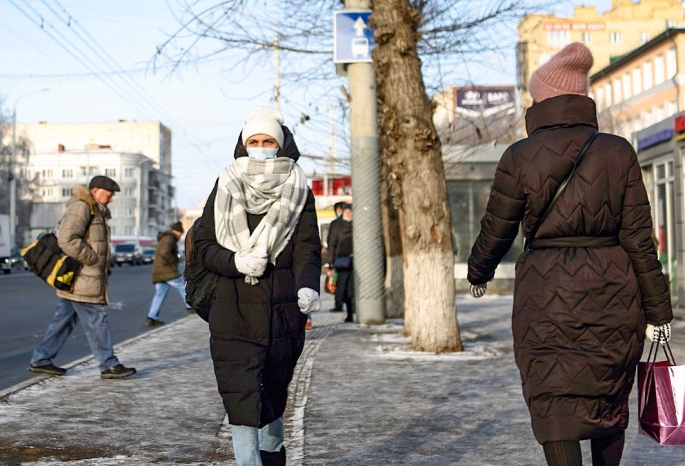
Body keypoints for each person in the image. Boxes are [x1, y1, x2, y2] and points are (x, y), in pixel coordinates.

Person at [467, 43, 673, 466]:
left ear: (542, 100)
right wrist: (659, 313)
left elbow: (497, 228)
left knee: (554, 400)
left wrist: (478, 271)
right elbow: (639, 239)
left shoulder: (519, 156)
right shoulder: (618, 152)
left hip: (545, 295)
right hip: (614, 293)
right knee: (607, 401)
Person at [193, 106, 321, 466]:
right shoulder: (226, 183)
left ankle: (273, 458)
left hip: (282, 312)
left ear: (280, 146)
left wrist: (308, 286)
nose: (261, 146)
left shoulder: (298, 187)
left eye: (268, 141)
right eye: (254, 141)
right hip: (232, 310)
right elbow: (203, 248)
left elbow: (308, 247)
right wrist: (235, 262)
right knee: (242, 400)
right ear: (244, 144)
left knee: (274, 396)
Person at [29, 175, 137, 380]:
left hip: (83, 277)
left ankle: (41, 359)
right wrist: (92, 259)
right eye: (108, 195)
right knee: (97, 320)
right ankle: (108, 364)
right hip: (81, 277)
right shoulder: (82, 207)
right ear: (95, 191)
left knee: (63, 321)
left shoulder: (97, 211)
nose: (111, 199)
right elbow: (67, 239)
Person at [145, 221, 194, 326]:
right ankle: (190, 307)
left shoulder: (165, 238)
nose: (181, 235)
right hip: (166, 270)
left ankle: (151, 317)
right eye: (181, 233)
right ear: (178, 232)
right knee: (183, 286)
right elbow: (164, 253)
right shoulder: (169, 238)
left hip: (159, 271)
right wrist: (173, 262)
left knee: (160, 294)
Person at [326, 202, 353, 315]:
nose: (348, 213)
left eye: (350, 211)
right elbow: (331, 243)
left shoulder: (357, 223)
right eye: (346, 211)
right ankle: (339, 304)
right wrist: (330, 263)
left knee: (351, 285)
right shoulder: (336, 224)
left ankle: (351, 309)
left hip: (354, 261)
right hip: (340, 260)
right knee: (341, 284)